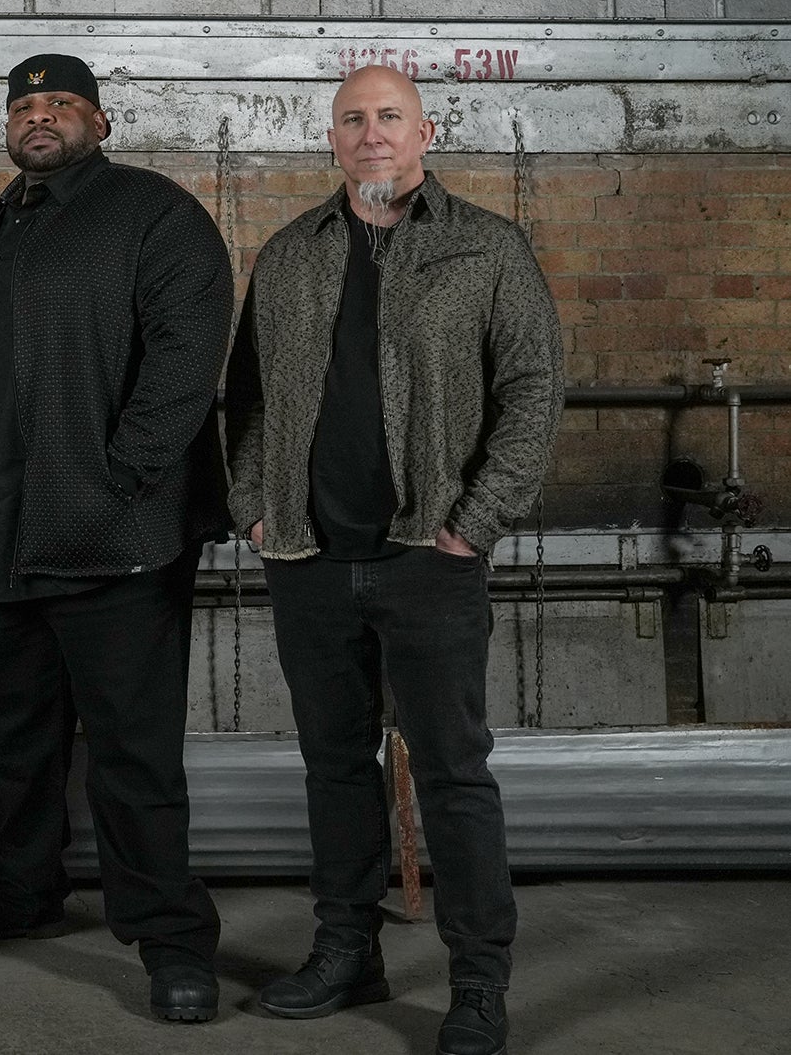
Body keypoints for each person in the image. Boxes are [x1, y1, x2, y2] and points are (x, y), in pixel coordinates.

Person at [227, 65, 562, 1055]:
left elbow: (532, 390)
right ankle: (346, 950)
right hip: (309, 557)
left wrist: (473, 523)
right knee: (334, 768)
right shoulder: (290, 254)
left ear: (425, 131)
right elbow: (247, 397)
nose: (370, 133)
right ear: (331, 138)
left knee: (453, 775)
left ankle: (477, 983)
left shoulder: (486, 247)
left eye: (388, 116)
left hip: (429, 555)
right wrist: (254, 511)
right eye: (352, 119)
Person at [0, 53, 234, 1023]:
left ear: (101, 121)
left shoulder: (154, 215)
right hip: (1, 539)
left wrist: (120, 478)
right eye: (24, 105)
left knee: (134, 753)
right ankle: (20, 888)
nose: (39, 116)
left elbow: (187, 354)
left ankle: (172, 938)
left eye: (60, 103)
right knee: (19, 735)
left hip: (114, 539)